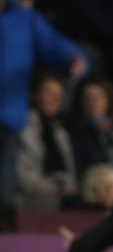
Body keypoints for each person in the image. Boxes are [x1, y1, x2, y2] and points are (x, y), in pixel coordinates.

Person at [0, 0, 86, 229]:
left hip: (9, 118)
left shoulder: (25, 20)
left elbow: (55, 46)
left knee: (4, 194)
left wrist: (74, 58)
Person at [17, 73, 78, 210]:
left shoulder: (61, 133)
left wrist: (67, 188)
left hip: (60, 202)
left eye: (59, 95)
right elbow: (20, 174)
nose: (55, 99)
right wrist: (54, 189)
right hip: (28, 202)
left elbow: (71, 173)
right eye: (49, 93)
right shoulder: (21, 127)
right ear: (34, 95)